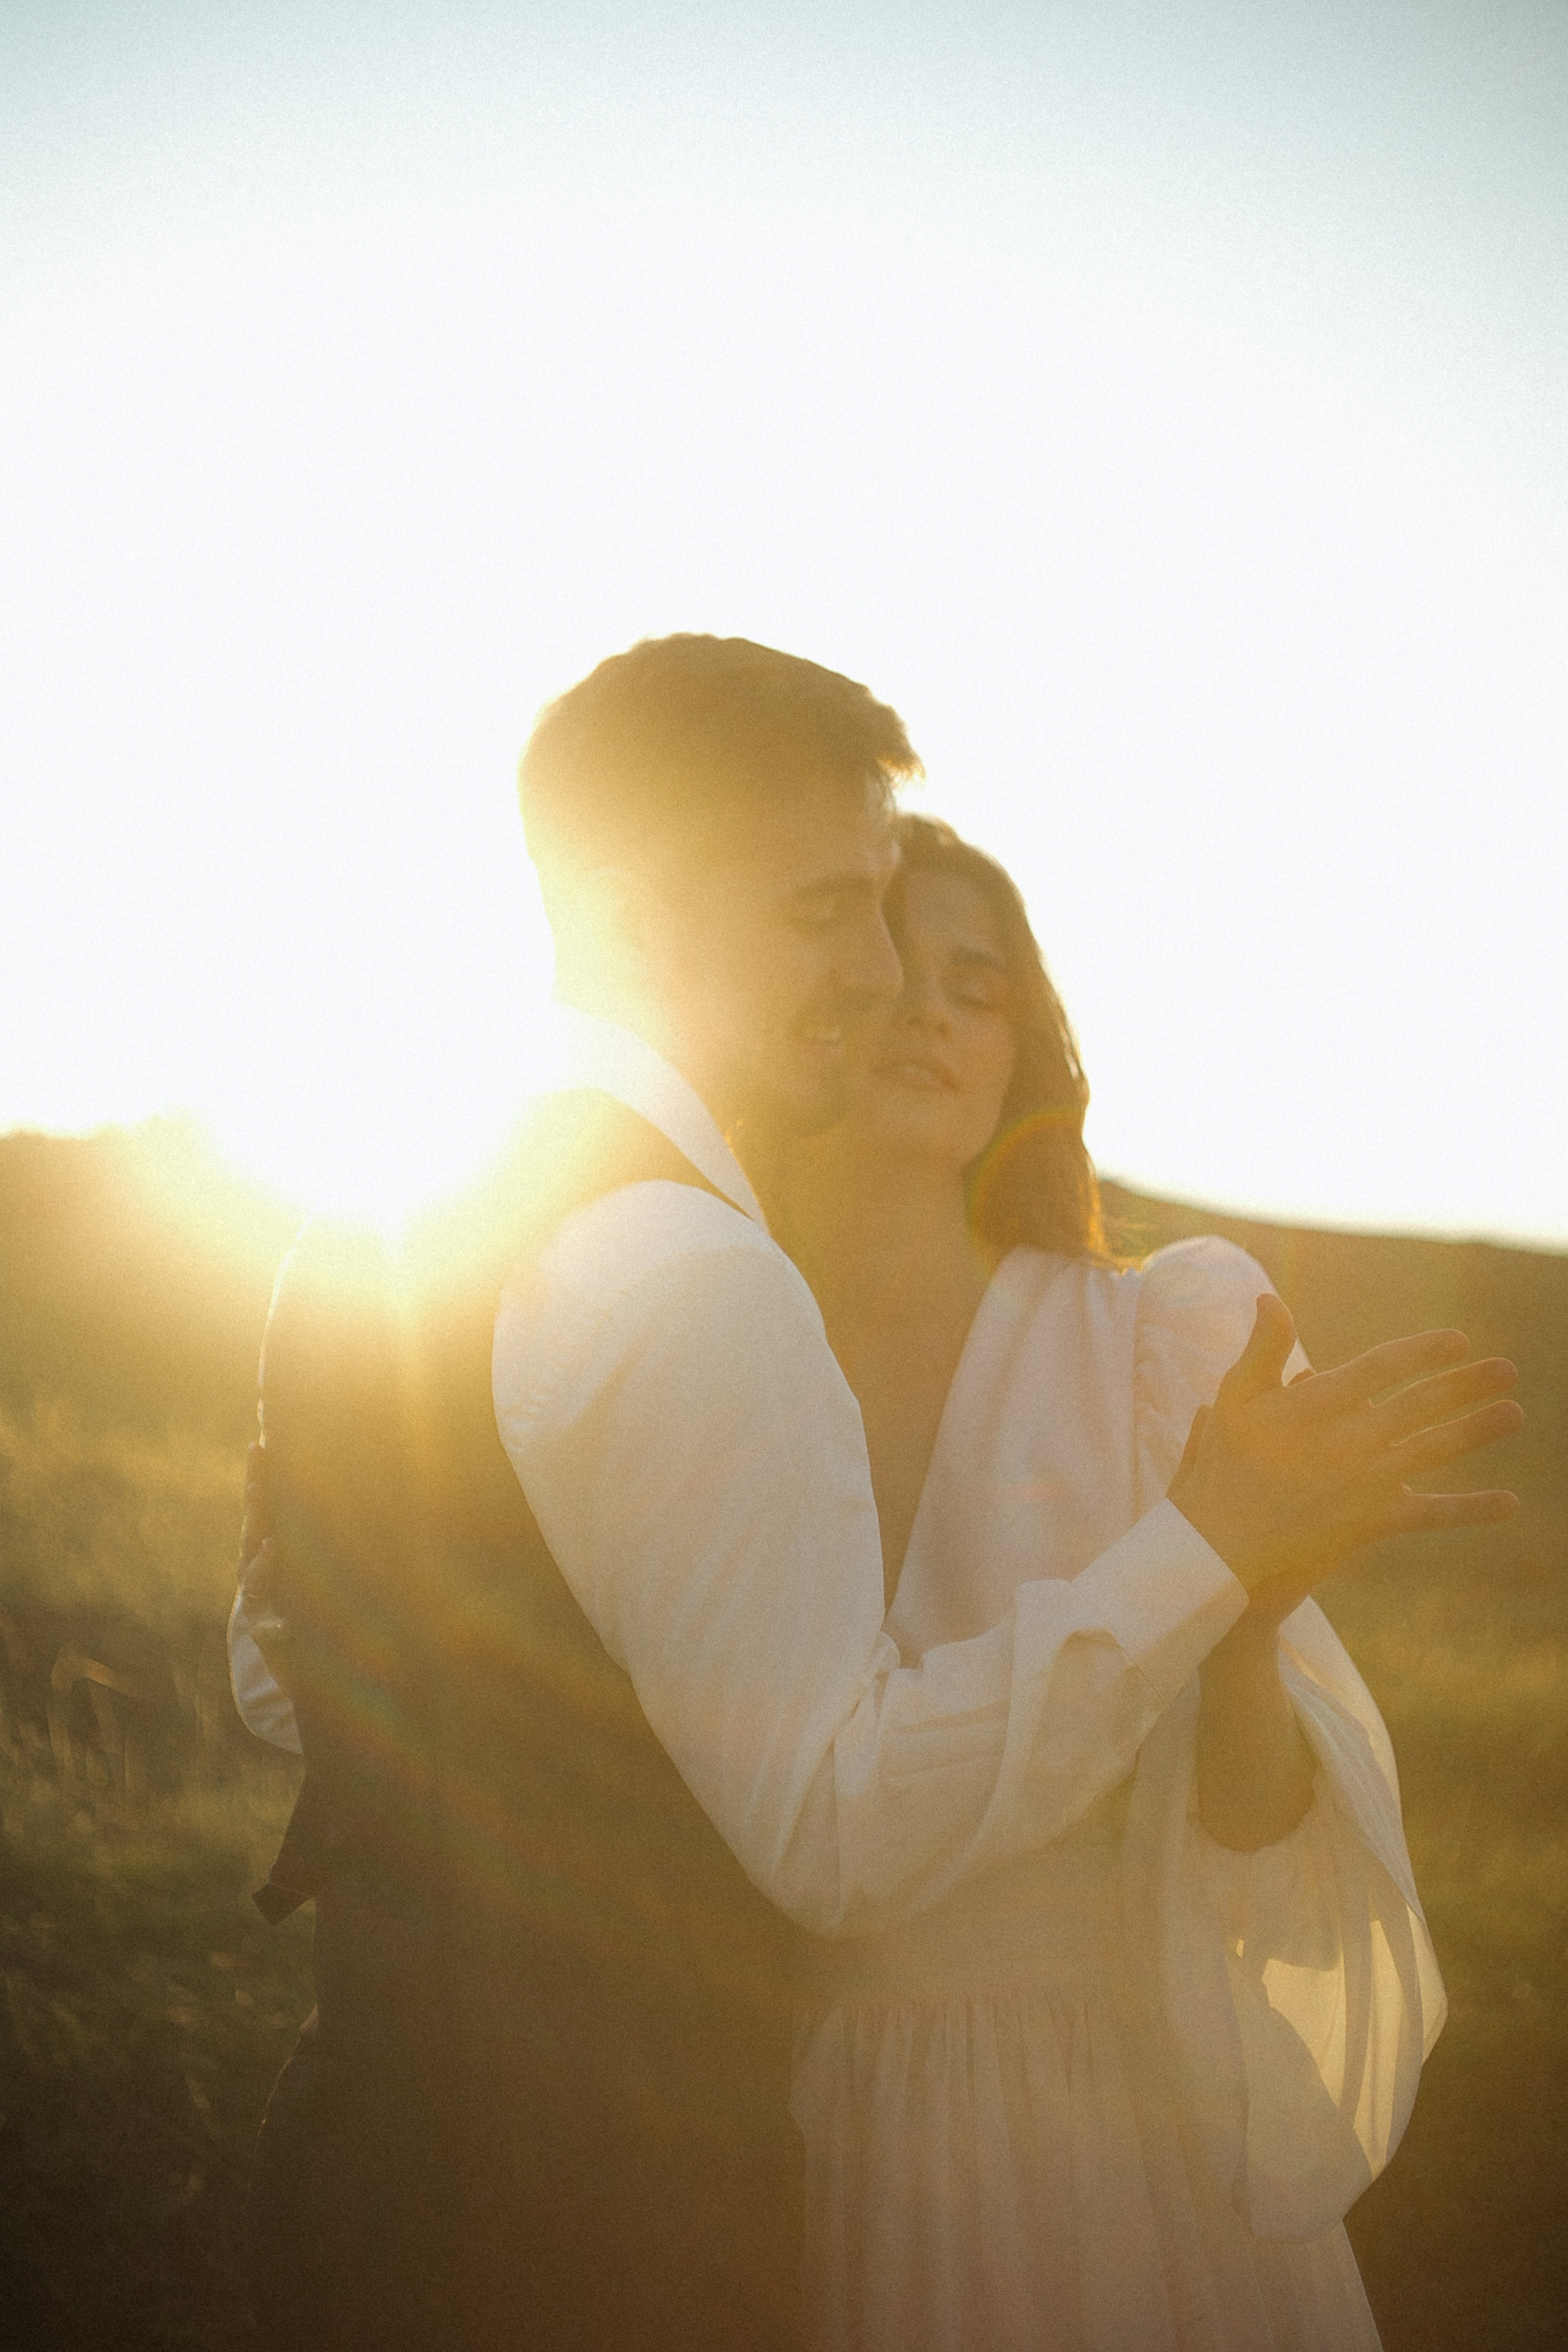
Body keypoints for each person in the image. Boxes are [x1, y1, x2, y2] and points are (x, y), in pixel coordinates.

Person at [231, 636, 1520, 2351]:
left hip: (441, 2155)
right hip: (626, 2205)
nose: (883, 968)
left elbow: (280, 1671)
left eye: (913, 933)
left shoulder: (391, 1230)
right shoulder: (700, 1284)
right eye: (826, 912)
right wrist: (1204, 1551)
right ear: (629, 915)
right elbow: (836, 1827)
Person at [777, 811, 1509, 2349]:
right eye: (893, 963)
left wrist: (1241, 1625)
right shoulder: (706, 1352)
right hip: (790, 2131)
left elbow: (1249, 1838)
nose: (927, 1007)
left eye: (978, 988)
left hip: (1119, 2128)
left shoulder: (1153, 1345)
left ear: (1023, 1050)